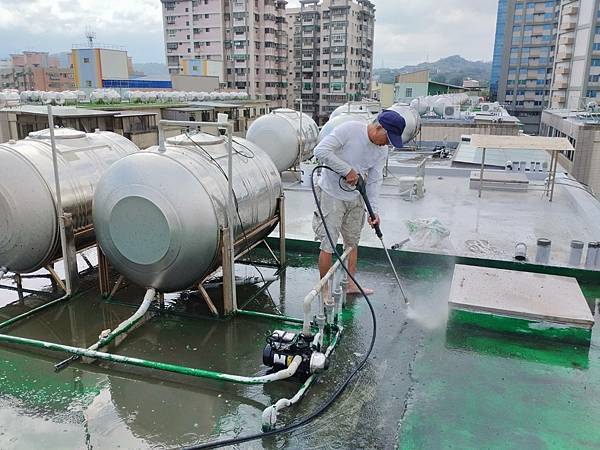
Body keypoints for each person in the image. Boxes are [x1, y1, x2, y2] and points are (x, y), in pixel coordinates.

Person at [312, 109, 406, 294]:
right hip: (331, 195)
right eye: (387, 138)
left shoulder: (382, 151)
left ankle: (350, 285)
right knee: (328, 244)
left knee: (352, 242)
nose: (387, 144)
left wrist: (374, 212)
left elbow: (374, 181)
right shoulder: (350, 130)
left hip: (355, 197)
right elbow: (320, 151)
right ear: (379, 128)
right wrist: (346, 170)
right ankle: (324, 291)